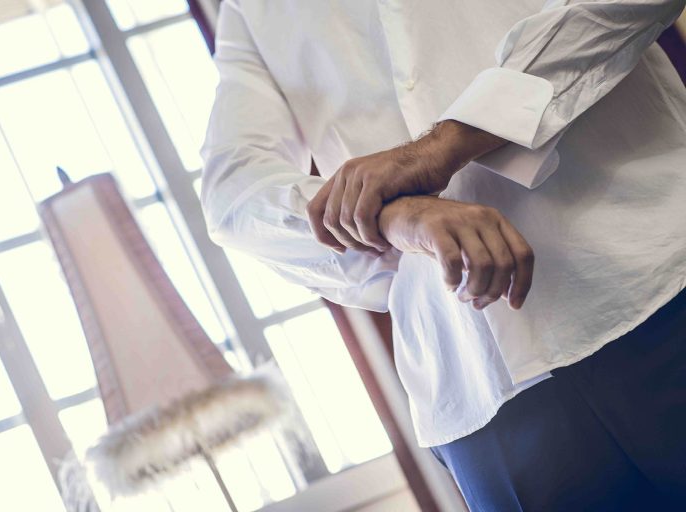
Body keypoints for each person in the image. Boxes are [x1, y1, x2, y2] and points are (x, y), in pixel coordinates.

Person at [199, 1, 686, 509]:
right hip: (475, 384)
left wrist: (443, 145)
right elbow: (233, 194)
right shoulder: (249, 9)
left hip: (654, 282)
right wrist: (396, 218)